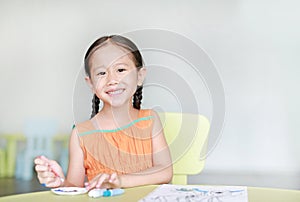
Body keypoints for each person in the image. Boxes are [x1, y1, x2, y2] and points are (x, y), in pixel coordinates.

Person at [34, 35, 173, 190]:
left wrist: (120, 181)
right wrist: (60, 183)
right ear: (91, 83)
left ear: (139, 76)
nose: (112, 80)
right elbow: (75, 187)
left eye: (121, 70)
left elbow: (164, 171)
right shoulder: (81, 134)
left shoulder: (150, 120)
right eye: (101, 73)